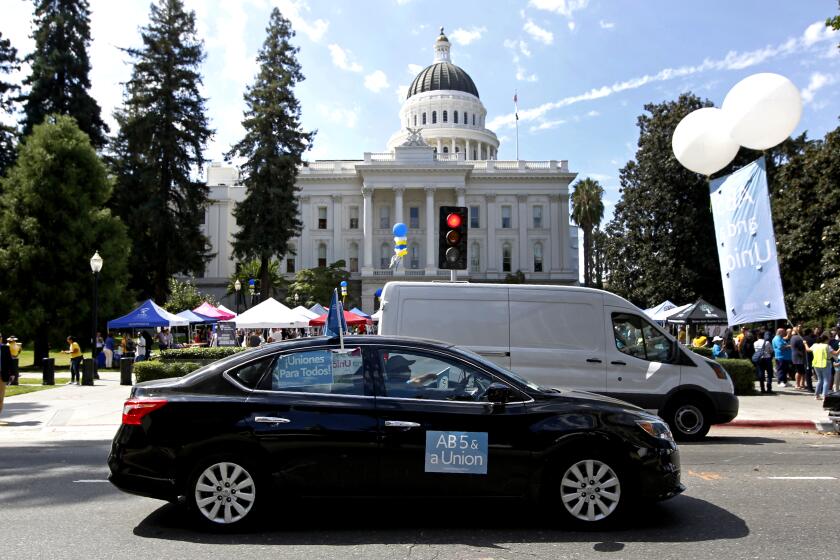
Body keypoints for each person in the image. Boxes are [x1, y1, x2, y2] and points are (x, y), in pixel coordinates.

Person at [808, 334, 835, 400]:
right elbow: (836, 353)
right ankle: (824, 396)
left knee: (820, 380)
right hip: (826, 364)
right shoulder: (827, 346)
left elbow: (808, 349)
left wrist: (805, 343)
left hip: (816, 364)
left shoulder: (815, 345)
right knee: (826, 381)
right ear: (826, 340)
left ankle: (817, 395)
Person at [789, 326, 812, 392]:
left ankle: (801, 384)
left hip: (796, 356)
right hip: (799, 356)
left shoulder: (793, 337)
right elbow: (802, 346)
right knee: (799, 371)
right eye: (800, 329)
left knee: (801, 371)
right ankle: (798, 384)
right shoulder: (798, 338)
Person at [0, 334, 11, 415]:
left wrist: (13, 373)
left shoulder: (5, 348)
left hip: (2, 375)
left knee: (0, 396)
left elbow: (9, 361)